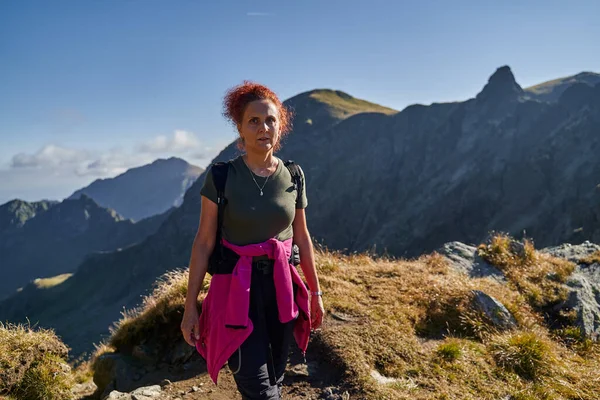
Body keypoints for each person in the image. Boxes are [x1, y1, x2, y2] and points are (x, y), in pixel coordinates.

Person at [181, 81, 324, 400]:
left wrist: (315, 293)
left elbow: (301, 237)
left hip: (282, 291)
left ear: (281, 126)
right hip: (235, 294)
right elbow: (204, 242)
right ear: (240, 129)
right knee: (260, 392)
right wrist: (191, 306)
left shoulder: (293, 175)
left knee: (274, 379)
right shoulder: (221, 176)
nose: (264, 127)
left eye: (271, 119)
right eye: (254, 121)